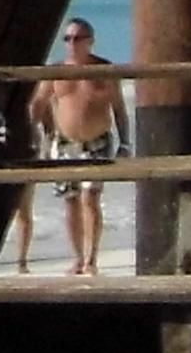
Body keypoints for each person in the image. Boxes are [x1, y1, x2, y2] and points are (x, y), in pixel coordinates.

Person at [19, 21, 129, 278]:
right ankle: (78, 258)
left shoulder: (104, 70)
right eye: (67, 38)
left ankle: (92, 259)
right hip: (65, 142)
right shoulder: (56, 71)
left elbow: (119, 109)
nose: (72, 43)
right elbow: (37, 105)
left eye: (77, 38)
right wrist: (37, 137)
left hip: (97, 141)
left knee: (90, 199)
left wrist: (125, 142)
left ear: (90, 40)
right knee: (70, 201)